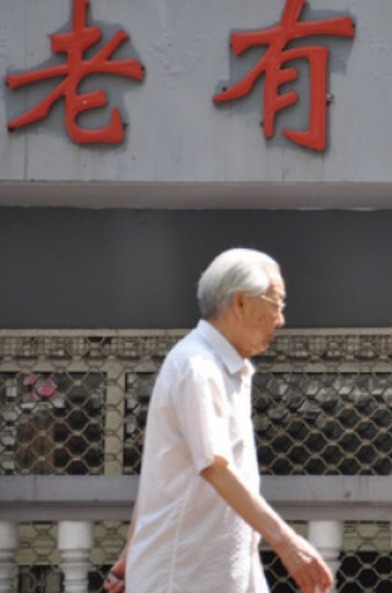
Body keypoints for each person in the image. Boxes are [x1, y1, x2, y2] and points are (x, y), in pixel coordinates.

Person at [104, 248, 333, 593]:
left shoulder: (222, 366)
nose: (281, 319)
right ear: (240, 303)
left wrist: (128, 557)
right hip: (182, 576)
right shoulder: (198, 366)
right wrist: (287, 543)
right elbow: (215, 465)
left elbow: (159, 477)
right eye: (276, 304)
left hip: (215, 572)